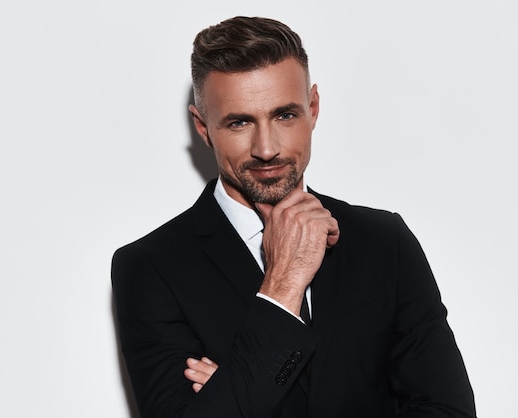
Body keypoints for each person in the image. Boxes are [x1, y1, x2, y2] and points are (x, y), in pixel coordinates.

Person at [112, 16, 476, 418]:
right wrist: (283, 285)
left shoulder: (384, 242)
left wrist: (235, 392)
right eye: (239, 122)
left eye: (285, 115)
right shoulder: (150, 267)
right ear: (203, 127)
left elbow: (450, 412)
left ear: (313, 108)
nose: (266, 149)